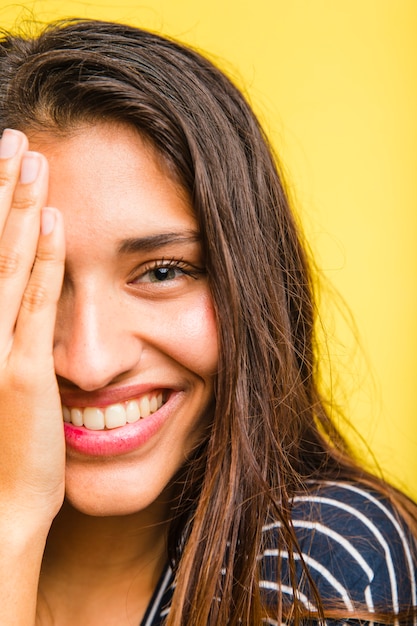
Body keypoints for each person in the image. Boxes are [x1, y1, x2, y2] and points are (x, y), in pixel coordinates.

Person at [0, 18, 415, 625]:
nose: (89, 361)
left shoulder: (316, 564)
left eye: (163, 271)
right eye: (32, 278)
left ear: (248, 280)